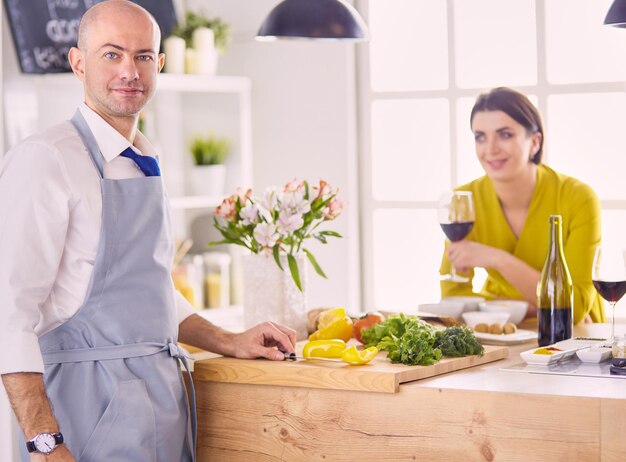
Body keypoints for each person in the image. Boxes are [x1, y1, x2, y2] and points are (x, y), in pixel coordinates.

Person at [0, 2, 295, 461]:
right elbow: (9, 312)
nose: (129, 71)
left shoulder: (144, 160)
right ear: (78, 62)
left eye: (142, 56)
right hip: (83, 413)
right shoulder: (45, 159)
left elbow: (150, 289)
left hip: (160, 405)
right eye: (111, 54)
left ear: (158, 65)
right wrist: (44, 441)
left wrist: (227, 340)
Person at [440, 87, 604, 325]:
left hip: (575, 337)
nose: (490, 149)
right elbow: (452, 296)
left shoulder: (578, 198)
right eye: (480, 137)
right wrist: (526, 308)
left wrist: (498, 260)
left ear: (535, 142)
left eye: (505, 135)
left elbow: (574, 307)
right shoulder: (464, 200)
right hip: (504, 332)